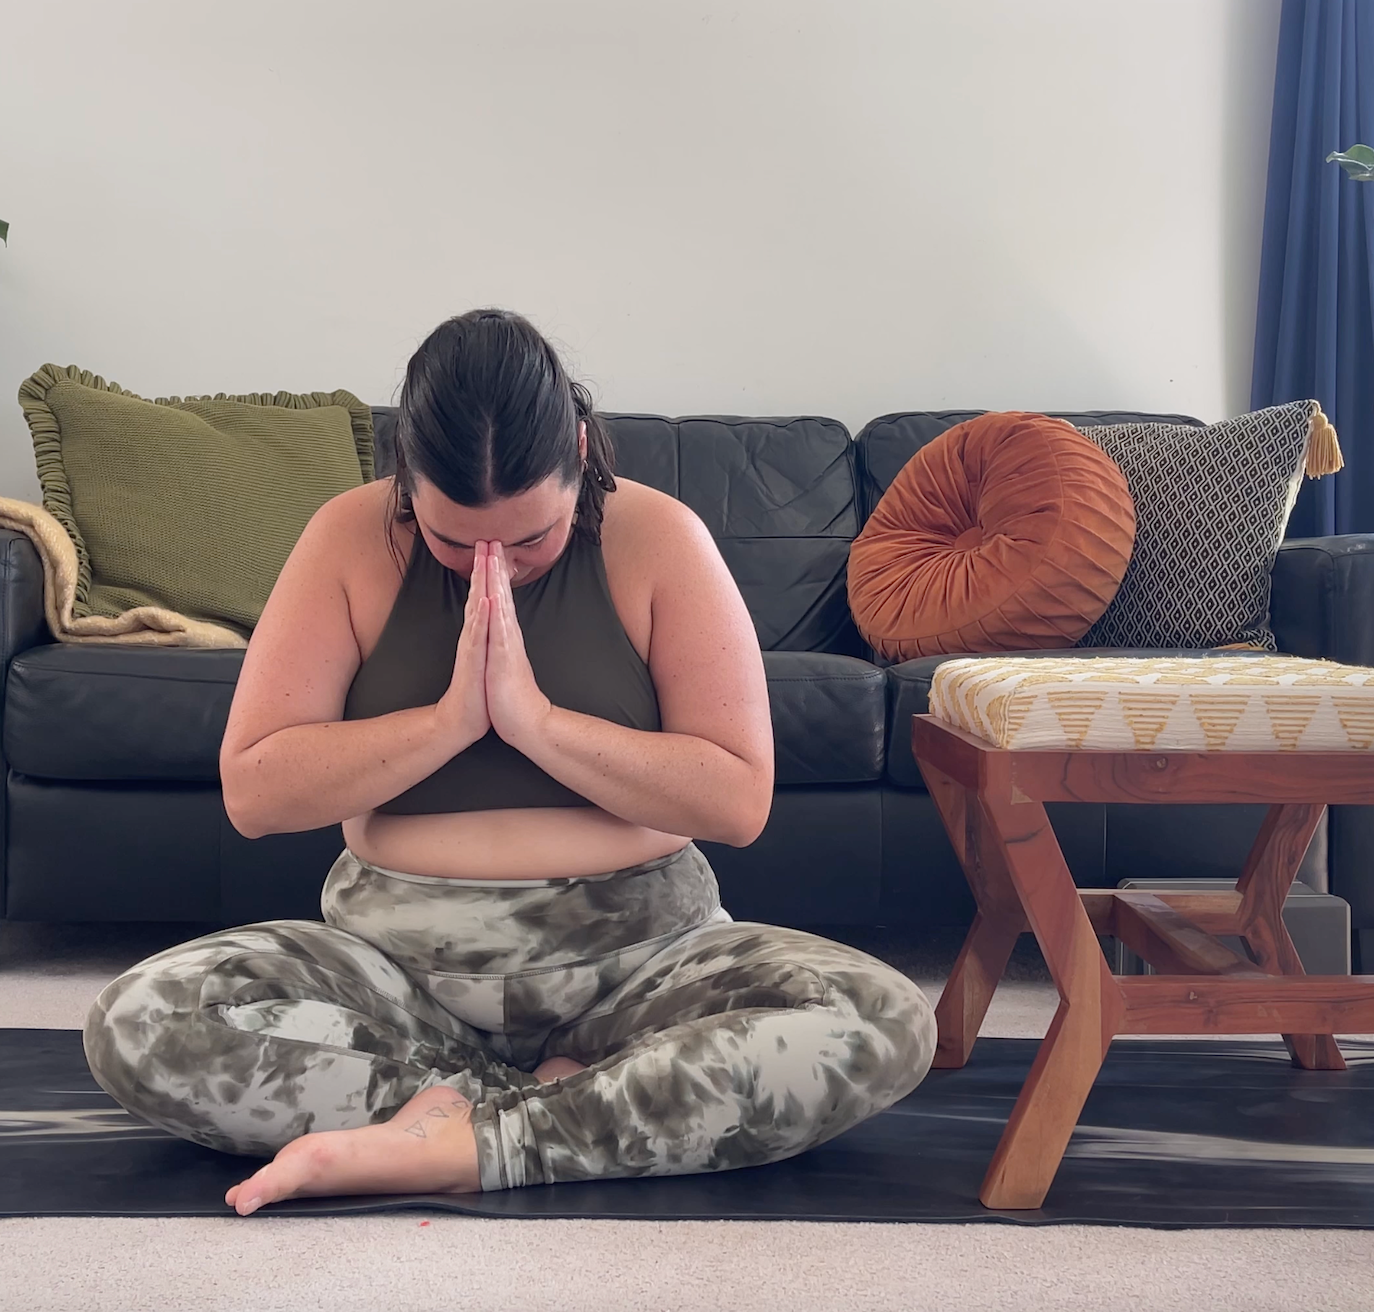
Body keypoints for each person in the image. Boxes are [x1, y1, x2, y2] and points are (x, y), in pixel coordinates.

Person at [84, 309, 934, 1211]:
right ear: (407, 475)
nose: (497, 563)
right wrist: (450, 720)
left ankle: (445, 1133)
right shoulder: (346, 537)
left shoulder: (660, 536)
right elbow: (256, 791)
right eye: (455, 540)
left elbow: (737, 799)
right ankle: (569, 1107)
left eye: (533, 538)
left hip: (644, 960)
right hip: (396, 971)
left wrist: (533, 721)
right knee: (141, 1023)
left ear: (576, 453)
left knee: (878, 1021)